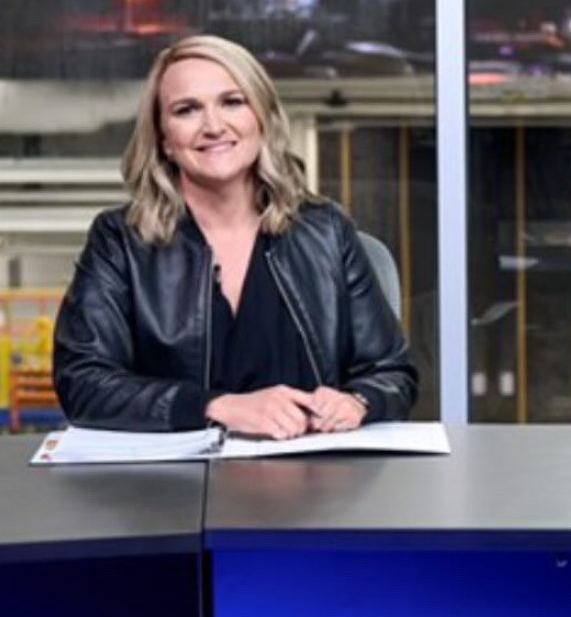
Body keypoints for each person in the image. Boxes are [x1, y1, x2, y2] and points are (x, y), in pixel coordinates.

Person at [54, 34, 417, 437]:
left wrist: (357, 401)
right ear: (164, 140)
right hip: (171, 489)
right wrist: (217, 407)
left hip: (313, 481)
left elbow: (391, 373)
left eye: (232, 101)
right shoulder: (119, 241)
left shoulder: (327, 232)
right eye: (187, 109)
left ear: (261, 119)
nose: (214, 126)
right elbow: (83, 382)